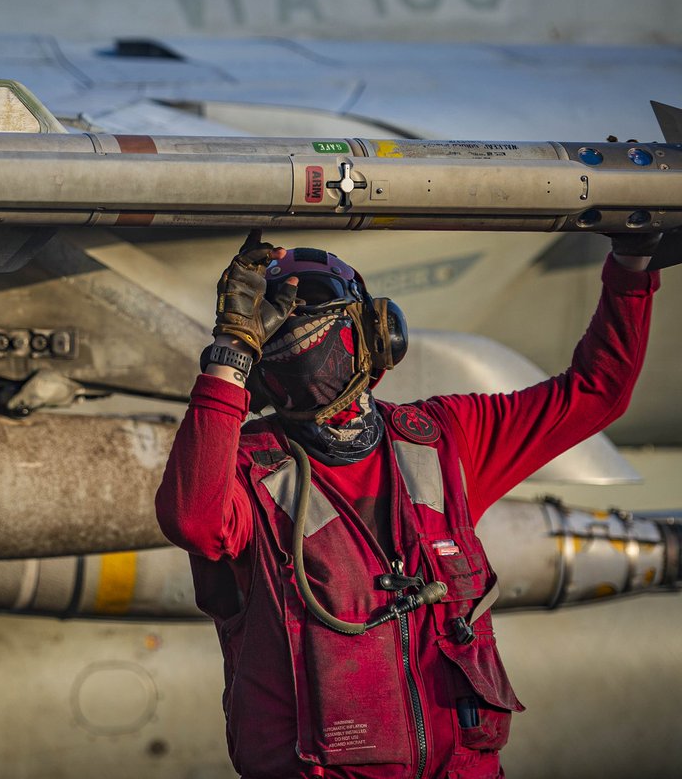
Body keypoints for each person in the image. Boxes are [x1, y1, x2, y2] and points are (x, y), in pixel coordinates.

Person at [155, 230, 660, 779]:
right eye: (278, 333)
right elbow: (193, 518)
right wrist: (227, 356)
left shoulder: (443, 439)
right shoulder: (247, 468)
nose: (305, 345)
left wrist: (631, 265)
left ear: (377, 335)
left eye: (318, 320)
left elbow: (596, 393)